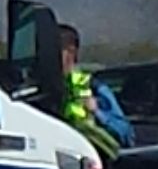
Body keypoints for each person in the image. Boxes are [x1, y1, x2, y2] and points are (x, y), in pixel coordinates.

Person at [55, 22, 132, 157]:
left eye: (54, 51)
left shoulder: (94, 88)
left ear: (71, 52)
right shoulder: (41, 89)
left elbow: (126, 134)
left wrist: (97, 112)